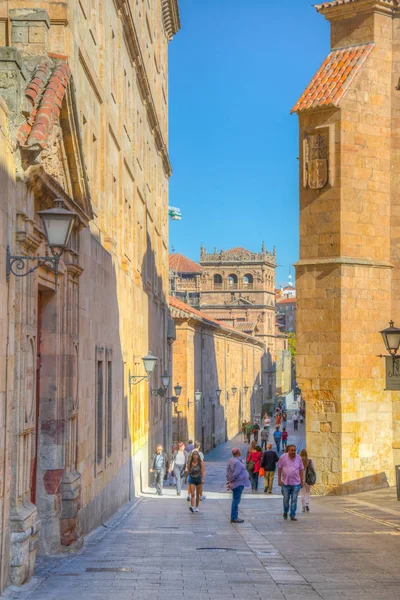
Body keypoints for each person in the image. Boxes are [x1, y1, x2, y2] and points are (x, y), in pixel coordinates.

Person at [277, 444, 304, 521]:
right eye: (291, 450)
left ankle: (292, 514)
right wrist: (279, 480)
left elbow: (301, 469)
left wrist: (302, 481)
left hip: (296, 483)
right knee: (286, 499)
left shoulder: (298, 458)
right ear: (288, 450)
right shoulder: (283, 457)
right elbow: (279, 468)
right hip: (285, 483)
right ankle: (285, 511)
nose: (293, 452)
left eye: (294, 450)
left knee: (294, 500)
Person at [226, 447, 250, 523]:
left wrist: (229, 481)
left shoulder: (231, 460)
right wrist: (231, 481)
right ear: (238, 453)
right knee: (236, 500)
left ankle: (234, 516)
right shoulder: (237, 462)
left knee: (235, 500)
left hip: (235, 483)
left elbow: (228, 472)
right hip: (238, 483)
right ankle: (234, 517)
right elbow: (236, 473)